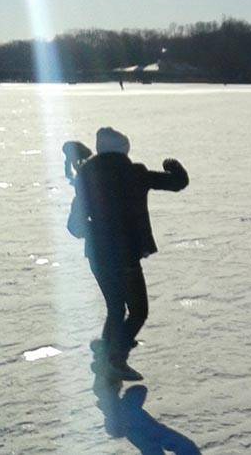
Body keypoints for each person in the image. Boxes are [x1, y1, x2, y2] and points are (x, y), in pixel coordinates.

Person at [67, 127, 189, 381]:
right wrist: (173, 166)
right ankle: (116, 358)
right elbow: (178, 183)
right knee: (137, 311)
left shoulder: (86, 178)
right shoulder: (135, 174)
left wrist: (96, 230)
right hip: (126, 257)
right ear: (124, 150)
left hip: (97, 255)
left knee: (115, 307)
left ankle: (108, 348)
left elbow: (74, 227)